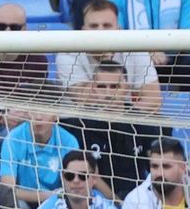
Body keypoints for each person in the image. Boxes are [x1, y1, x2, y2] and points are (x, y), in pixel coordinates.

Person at [64, 61, 168, 199]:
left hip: (139, 198)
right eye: (102, 87)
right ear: (93, 89)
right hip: (96, 199)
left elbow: (156, 165)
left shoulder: (142, 121)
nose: (108, 94)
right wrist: (117, 203)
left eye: (114, 87)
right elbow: (90, 174)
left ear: (127, 87)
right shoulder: (80, 125)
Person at [55, 0, 164, 115]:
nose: (100, 32)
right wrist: (106, 63)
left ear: (118, 30)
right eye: (94, 26)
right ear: (83, 30)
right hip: (81, 122)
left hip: (126, 121)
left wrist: (126, 115)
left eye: (107, 25)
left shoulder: (136, 48)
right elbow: (84, 100)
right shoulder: (67, 53)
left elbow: (153, 100)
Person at [0, 87, 81, 208]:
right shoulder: (12, 140)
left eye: (44, 110)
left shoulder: (69, 142)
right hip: (25, 201)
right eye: (34, 110)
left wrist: (54, 198)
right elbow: (8, 189)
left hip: (58, 203)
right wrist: (46, 196)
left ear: (56, 115)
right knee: (16, 205)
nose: (38, 117)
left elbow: (74, 185)